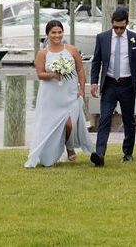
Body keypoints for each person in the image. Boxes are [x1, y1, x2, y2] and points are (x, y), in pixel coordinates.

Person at [25, 19, 91, 167]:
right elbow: (40, 74)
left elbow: (80, 69)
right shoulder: (43, 53)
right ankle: (51, 153)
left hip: (69, 93)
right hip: (51, 96)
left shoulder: (71, 50)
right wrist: (53, 75)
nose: (57, 35)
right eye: (53, 32)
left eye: (59, 32)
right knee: (50, 126)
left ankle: (69, 146)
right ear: (47, 34)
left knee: (69, 124)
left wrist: (82, 89)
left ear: (63, 33)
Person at [89, 8, 136, 166]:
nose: (119, 30)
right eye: (116, 27)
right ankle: (100, 153)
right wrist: (94, 82)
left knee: (129, 120)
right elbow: (96, 61)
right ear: (111, 24)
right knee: (105, 118)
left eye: (122, 27)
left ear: (127, 24)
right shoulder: (102, 38)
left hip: (127, 84)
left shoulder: (135, 38)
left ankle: (128, 153)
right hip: (109, 84)